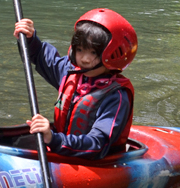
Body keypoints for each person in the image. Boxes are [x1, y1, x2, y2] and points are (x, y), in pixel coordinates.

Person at [13, 8, 137, 159]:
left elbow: (98, 144)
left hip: (96, 161)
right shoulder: (70, 71)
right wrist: (29, 38)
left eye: (94, 53)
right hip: (64, 148)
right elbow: (40, 56)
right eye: (80, 50)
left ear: (111, 55)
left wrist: (53, 139)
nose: (84, 59)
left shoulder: (116, 96)